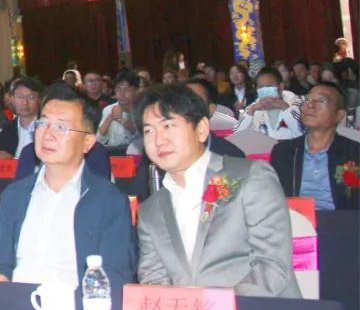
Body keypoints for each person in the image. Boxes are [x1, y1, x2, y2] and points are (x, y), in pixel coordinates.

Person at [135, 85, 300, 297]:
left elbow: (272, 266)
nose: (159, 140)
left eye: (168, 126)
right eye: (149, 130)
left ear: (201, 129)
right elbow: (153, 279)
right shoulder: (150, 210)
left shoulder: (250, 177)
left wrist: (213, 308)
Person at [0, 84, 137, 287]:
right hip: (16, 302)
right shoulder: (14, 195)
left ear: (87, 142)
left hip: (77, 304)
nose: (47, 135)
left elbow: (114, 277)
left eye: (61, 127)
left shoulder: (109, 201)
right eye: (43, 123)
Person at [270, 83, 359, 211]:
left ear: (339, 115)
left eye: (321, 101)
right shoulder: (283, 151)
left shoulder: (354, 153)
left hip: (341, 220)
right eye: (307, 99)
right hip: (295, 219)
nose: (310, 105)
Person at [233, 66, 303, 141]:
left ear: (281, 86)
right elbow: (237, 136)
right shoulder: (253, 107)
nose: (264, 90)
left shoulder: (296, 102)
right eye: (261, 87)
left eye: (269, 86)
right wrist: (251, 112)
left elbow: (302, 133)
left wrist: (285, 107)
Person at [0, 78, 43, 159]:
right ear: (13, 99)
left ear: (40, 100)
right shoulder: (8, 128)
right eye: (20, 97)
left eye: (31, 97)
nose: (25, 102)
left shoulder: (46, 127)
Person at [97, 69, 139, 149]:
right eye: (118, 89)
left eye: (127, 90)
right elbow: (99, 140)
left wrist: (122, 120)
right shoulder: (108, 109)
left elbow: (142, 138)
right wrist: (110, 118)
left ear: (136, 91)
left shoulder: (142, 110)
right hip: (113, 152)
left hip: (135, 152)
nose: (122, 94)